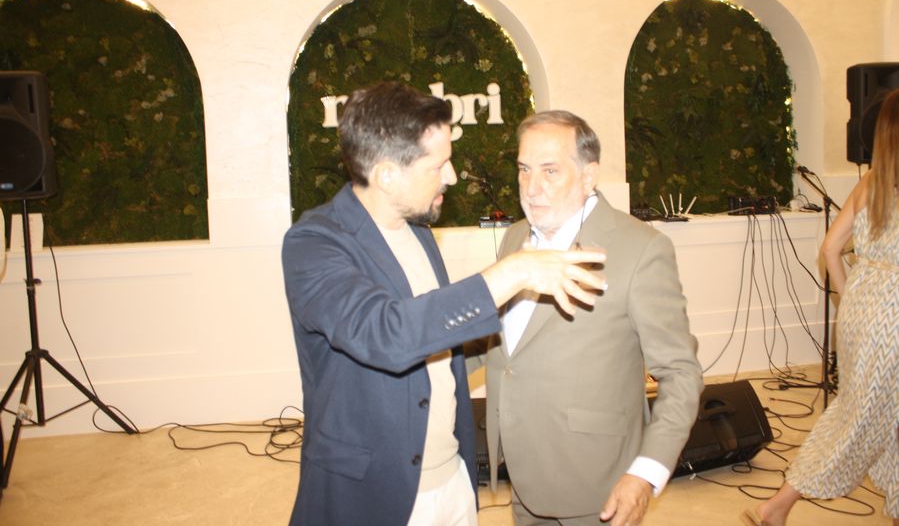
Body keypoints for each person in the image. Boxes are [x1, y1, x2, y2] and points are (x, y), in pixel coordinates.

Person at [281, 82, 607, 526]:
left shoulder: (418, 232)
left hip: (452, 479)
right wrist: (513, 273)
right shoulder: (314, 243)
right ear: (387, 175)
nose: (452, 176)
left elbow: (437, 339)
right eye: (438, 165)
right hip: (375, 492)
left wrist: (518, 330)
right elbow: (388, 335)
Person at [479, 110, 703, 526]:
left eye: (550, 171)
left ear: (588, 176)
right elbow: (501, 339)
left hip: (596, 486)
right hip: (523, 472)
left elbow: (681, 373)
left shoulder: (641, 249)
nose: (531, 187)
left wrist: (646, 472)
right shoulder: (514, 237)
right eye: (524, 169)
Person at [743, 90, 899, 526]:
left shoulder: (870, 184)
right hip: (894, 316)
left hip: (863, 306)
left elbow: (831, 249)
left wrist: (852, 303)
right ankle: (777, 506)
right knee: (857, 419)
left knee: (875, 414)